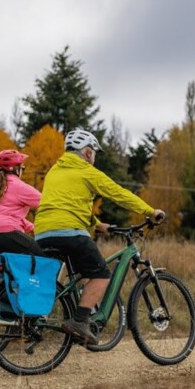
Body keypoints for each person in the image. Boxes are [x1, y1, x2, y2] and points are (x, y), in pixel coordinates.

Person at [34, 129, 164, 345]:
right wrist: (151, 211)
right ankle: (79, 321)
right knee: (101, 273)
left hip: (42, 233)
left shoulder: (54, 171)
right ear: (87, 152)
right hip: (69, 231)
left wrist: (96, 224)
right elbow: (119, 193)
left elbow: (66, 204)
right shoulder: (87, 171)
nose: (94, 157)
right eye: (94, 152)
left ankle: (69, 311)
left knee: (81, 273)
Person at [0, 149, 45, 259]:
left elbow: (0, 216)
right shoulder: (19, 186)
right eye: (22, 168)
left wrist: (33, 227)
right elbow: (48, 203)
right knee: (45, 258)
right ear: (17, 169)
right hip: (4, 234)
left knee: (8, 268)